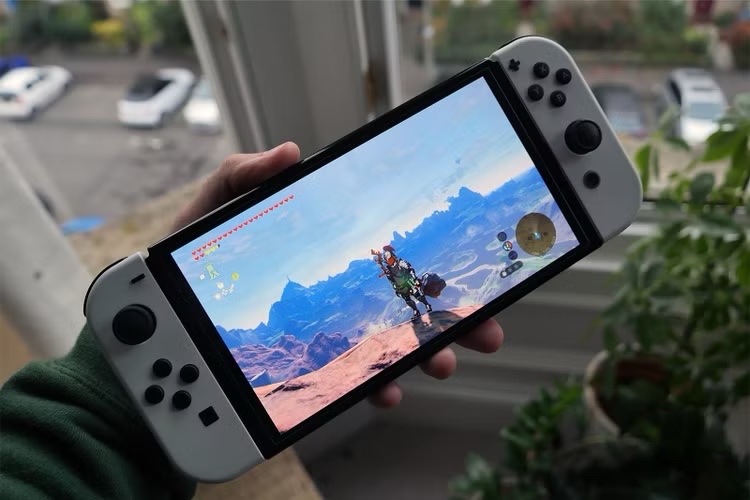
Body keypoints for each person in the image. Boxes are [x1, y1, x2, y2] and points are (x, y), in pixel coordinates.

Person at [0, 142, 504, 499]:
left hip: (76, 427)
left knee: (417, 313)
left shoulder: (393, 262)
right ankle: (421, 313)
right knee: (418, 316)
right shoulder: (388, 264)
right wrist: (112, 409)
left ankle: (421, 313)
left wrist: (104, 397)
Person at [373, 245, 432, 321]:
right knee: (407, 300)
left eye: (389, 258)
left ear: (393, 256)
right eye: (387, 259)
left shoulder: (401, 263)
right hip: (401, 286)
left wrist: (414, 278)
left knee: (417, 294)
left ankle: (427, 304)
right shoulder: (388, 271)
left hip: (409, 281)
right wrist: (396, 289)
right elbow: (392, 281)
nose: (389, 260)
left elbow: (410, 269)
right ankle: (415, 311)